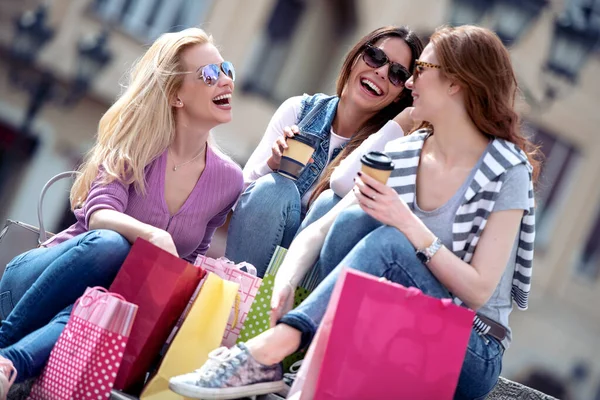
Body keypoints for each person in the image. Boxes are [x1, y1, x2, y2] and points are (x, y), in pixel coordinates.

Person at [170, 25, 540, 400]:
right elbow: (321, 229)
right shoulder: (409, 150)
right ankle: (300, 358)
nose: (410, 84)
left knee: (390, 241)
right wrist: (283, 285)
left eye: (420, 69)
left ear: (455, 83)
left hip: (469, 344)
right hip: (397, 325)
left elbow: (478, 291)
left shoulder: (506, 169)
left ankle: (268, 353)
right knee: (351, 218)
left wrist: (407, 223)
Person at [0, 27, 243, 395]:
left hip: (96, 306)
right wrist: (152, 235)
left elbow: (191, 259)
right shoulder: (138, 142)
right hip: (37, 281)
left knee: (109, 303)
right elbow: (99, 215)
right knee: (111, 246)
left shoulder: (229, 180)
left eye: (226, 69)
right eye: (209, 75)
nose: (224, 80)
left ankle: (10, 365)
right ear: (176, 95)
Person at [225, 26, 424, 276]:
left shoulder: (394, 148)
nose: (382, 72)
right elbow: (241, 199)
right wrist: (271, 165)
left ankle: (284, 311)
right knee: (272, 190)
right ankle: (240, 300)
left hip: (309, 279)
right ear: (355, 58)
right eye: (376, 57)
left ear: (399, 96)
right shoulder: (299, 111)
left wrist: (398, 125)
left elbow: (351, 215)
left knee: (331, 204)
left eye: (397, 73)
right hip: (256, 259)